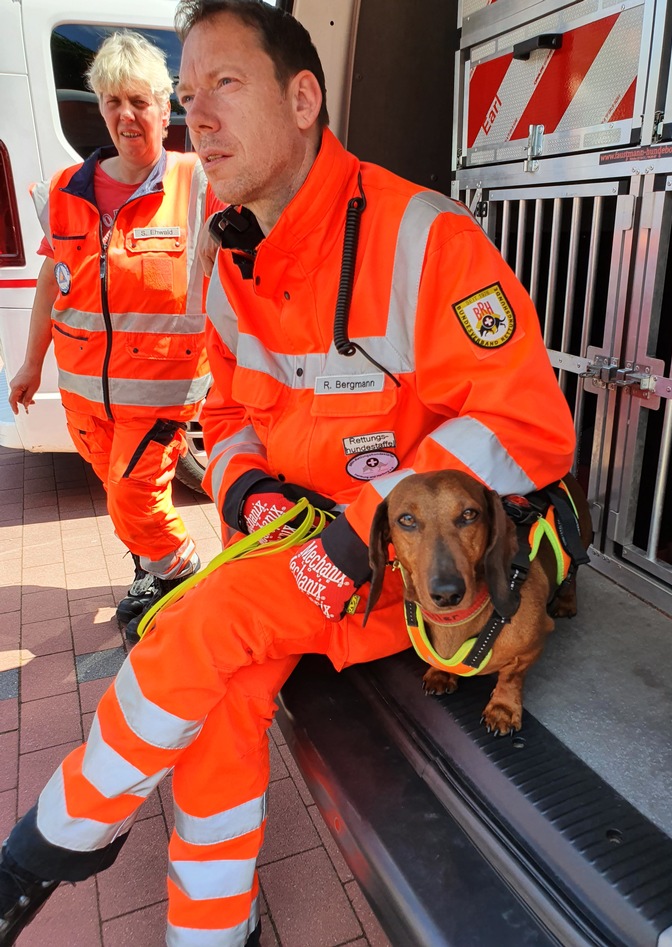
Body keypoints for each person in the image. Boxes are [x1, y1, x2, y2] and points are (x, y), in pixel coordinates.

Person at [0, 2, 577, 946]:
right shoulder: (231, 258)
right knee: (223, 690)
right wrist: (247, 490)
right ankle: (209, 934)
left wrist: (361, 530)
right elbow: (222, 418)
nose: (199, 120)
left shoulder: (424, 238)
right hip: (295, 551)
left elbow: (531, 428)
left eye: (225, 84)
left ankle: (49, 844)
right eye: (188, 95)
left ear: (305, 98)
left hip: (406, 573)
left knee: (199, 620)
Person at [7, 31, 212, 640]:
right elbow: (52, 279)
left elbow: (240, 280)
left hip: (161, 390)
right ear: (99, 108)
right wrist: (29, 363)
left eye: (141, 101)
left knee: (134, 494)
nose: (127, 116)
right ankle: (153, 568)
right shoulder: (67, 190)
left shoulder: (199, 184)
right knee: (120, 492)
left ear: (164, 105)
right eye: (113, 102)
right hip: (82, 394)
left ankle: (182, 572)